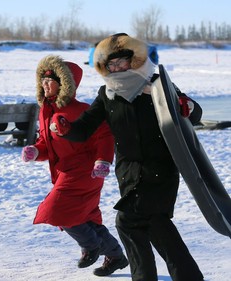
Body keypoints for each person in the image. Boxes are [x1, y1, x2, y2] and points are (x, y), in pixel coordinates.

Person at [50, 33, 204, 281]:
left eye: (121, 61)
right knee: (156, 226)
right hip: (129, 174)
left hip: (159, 170)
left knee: (127, 221)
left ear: (134, 59)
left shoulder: (156, 84)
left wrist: (187, 105)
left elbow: (193, 114)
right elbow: (84, 129)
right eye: (111, 64)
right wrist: (67, 128)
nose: (117, 67)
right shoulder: (107, 94)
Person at [21, 55, 128, 277]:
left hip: (86, 171)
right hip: (64, 172)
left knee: (58, 211)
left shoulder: (81, 109)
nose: (45, 85)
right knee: (85, 217)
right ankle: (116, 256)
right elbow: (47, 143)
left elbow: (104, 135)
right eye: (43, 81)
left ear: (64, 85)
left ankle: (91, 245)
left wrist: (103, 160)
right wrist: (36, 151)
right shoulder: (45, 111)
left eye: (50, 81)